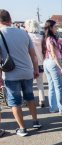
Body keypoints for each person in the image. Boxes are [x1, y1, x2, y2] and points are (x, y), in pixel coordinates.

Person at [0, 9, 41, 137]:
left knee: (15, 102)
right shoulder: (24, 33)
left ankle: (22, 128)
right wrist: (36, 69)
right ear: (10, 19)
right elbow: (33, 55)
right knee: (29, 97)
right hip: (27, 71)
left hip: (11, 74)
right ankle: (35, 122)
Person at [42, 20, 62, 114]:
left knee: (52, 86)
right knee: (59, 86)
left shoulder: (46, 38)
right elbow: (54, 55)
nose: (57, 29)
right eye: (55, 27)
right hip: (54, 63)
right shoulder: (51, 39)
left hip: (47, 62)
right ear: (50, 28)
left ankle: (53, 107)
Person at [25, 19, 45, 107]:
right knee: (40, 83)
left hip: (30, 63)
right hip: (40, 62)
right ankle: (42, 100)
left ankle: (29, 101)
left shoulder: (27, 37)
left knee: (29, 84)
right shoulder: (41, 37)